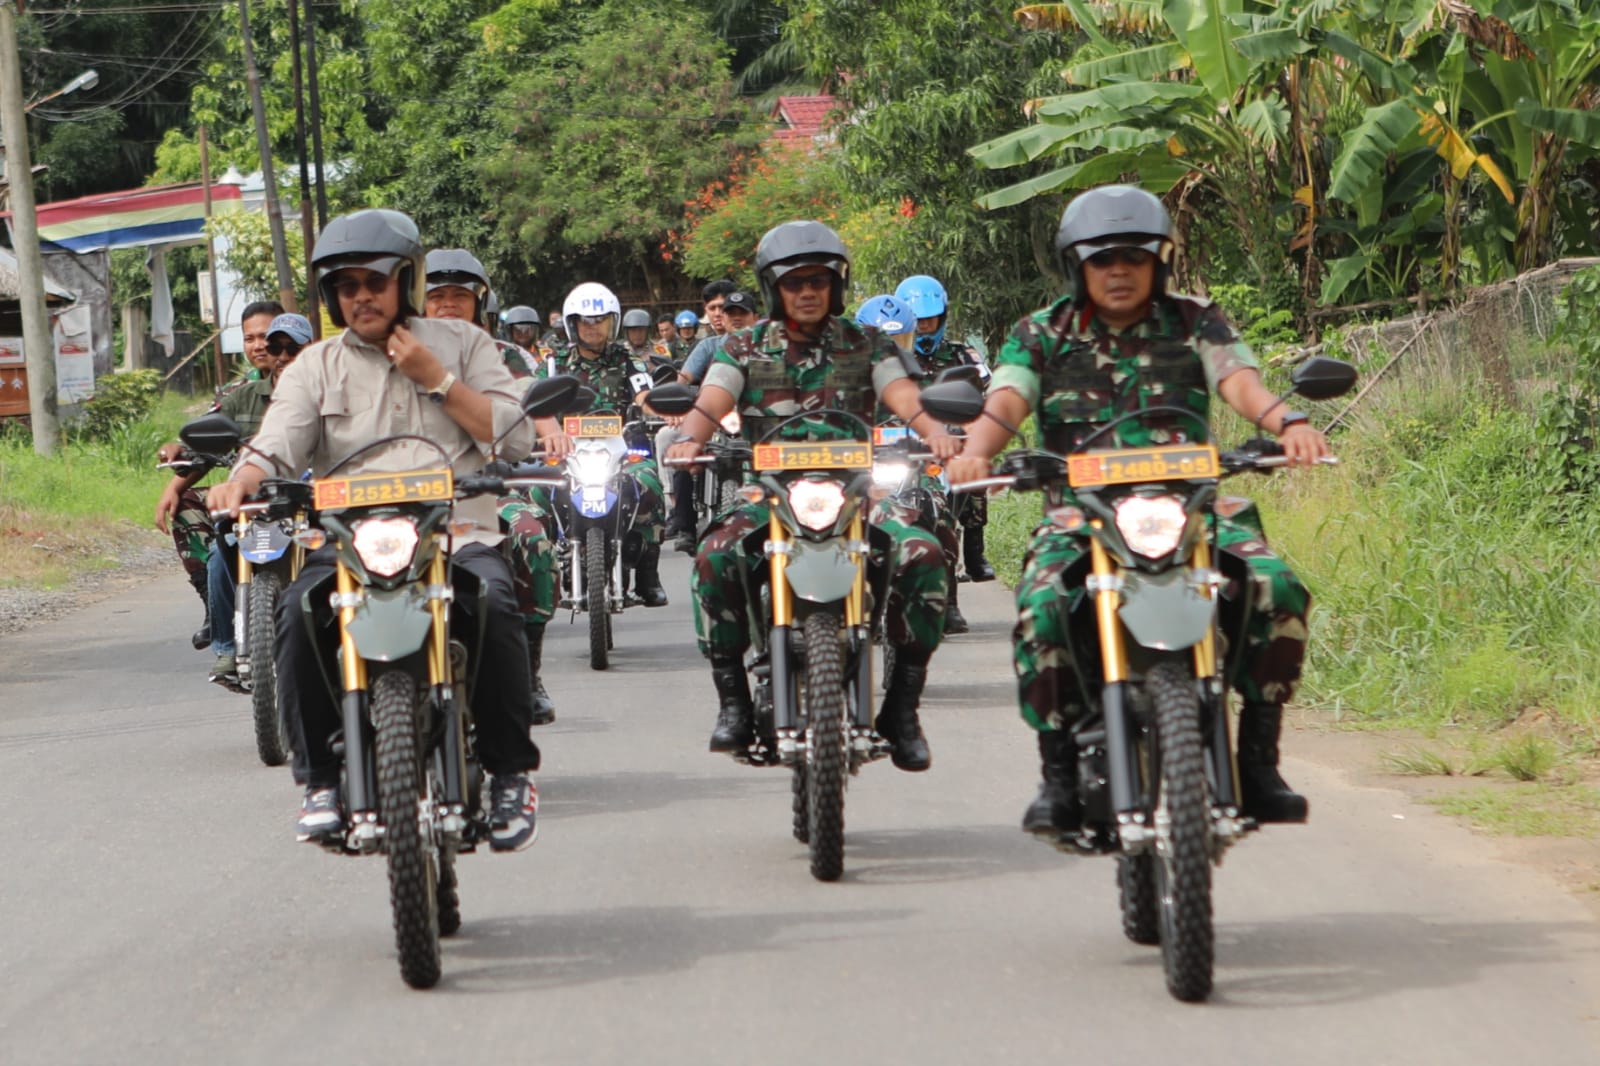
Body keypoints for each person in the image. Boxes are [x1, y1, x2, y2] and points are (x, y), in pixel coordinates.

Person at [944, 184, 1328, 835]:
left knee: (1278, 588)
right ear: (1077, 266)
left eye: (1133, 256)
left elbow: (1238, 381)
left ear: (1160, 261)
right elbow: (1007, 401)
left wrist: (1288, 422)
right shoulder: (1042, 333)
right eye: (1102, 259)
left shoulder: (1194, 319)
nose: (1118, 271)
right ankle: (1058, 772)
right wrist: (976, 453)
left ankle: (1259, 760)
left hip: (1194, 502)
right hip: (1081, 510)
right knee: (1040, 610)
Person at [208, 208, 550, 852]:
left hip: (455, 532)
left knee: (498, 604)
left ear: (406, 282)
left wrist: (438, 379)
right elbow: (277, 441)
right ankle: (321, 783)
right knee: (296, 612)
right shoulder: (314, 365)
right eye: (345, 286)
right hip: (349, 542)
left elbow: (514, 437)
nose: (360, 296)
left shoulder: (464, 345)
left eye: (374, 281)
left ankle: (510, 774)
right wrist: (243, 479)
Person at [666, 221, 957, 771]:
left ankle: (901, 708)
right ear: (774, 288)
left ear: (836, 286)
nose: (806, 291)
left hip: (859, 490)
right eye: (794, 281)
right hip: (767, 491)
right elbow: (714, 396)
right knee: (714, 557)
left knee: (925, 552)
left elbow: (900, 391)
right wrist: (688, 437)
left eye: (817, 281)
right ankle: (732, 701)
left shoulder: (865, 342)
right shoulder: (740, 345)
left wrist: (935, 429)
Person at [424, 249, 566, 725]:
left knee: (533, 538)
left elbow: (530, 397)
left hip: (489, 484)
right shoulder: (398, 350)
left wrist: (549, 432)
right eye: (436, 296)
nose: (447, 305)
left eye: (458, 297)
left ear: (479, 302)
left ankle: (527, 673)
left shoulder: (502, 354)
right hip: (411, 490)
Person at [154, 299, 284, 648]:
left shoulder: (317, 380)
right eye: (249, 338)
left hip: (302, 489)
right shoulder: (237, 394)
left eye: (266, 336)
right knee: (193, 511)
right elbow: (206, 442)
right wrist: (175, 481)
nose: (259, 346)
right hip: (247, 493)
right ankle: (215, 610)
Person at [854, 293, 970, 636]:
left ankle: (948, 600)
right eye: (878, 338)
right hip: (859, 470)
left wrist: (948, 434)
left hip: (914, 463)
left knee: (940, 510)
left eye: (896, 339)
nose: (887, 347)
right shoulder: (842, 380)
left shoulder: (919, 376)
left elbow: (941, 415)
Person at [553, 281, 670, 607]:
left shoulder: (626, 358)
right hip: (568, 451)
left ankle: (649, 574)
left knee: (650, 484)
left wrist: (663, 411)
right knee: (536, 492)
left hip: (622, 450)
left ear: (612, 322)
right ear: (572, 324)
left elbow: (644, 394)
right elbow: (536, 404)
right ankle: (545, 570)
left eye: (600, 320)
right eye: (586, 321)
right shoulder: (555, 363)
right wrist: (545, 430)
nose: (593, 328)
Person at [895, 273, 994, 584]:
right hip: (901, 445)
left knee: (975, 477)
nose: (924, 327)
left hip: (951, 442)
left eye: (930, 320)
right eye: (918, 321)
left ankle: (975, 553)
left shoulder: (962, 355)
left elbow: (984, 393)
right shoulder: (889, 358)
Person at [663, 280, 739, 550]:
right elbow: (682, 380)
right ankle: (683, 521)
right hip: (707, 420)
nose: (719, 314)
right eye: (713, 308)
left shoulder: (763, 344)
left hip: (750, 424)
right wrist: (674, 407)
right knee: (675, 443)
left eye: (725, 307)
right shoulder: (708, 347)